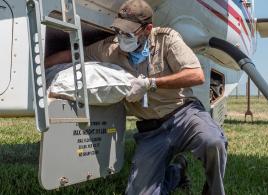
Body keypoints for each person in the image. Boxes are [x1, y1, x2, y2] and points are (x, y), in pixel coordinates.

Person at [45, 0, 227, 194]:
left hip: (184, 114)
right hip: (152, 129)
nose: (123, 37)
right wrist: (40, 65)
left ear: (148, 29)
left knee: (213, 141)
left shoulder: (167, 39)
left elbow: (195, 75)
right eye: (119, 30)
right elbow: (73, 55)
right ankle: (177, 172)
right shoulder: (110, 49)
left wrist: (151, 83)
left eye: (129, 31)